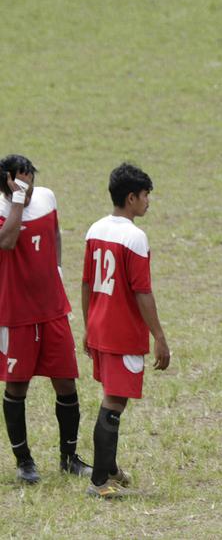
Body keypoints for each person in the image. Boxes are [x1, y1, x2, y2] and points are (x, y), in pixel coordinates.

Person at [81, 163, 171, 498]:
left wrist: (88, 325)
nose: (148, 201)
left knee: (113, 399)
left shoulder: (95, 229)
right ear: (131, 197)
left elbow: (87, 283)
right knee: (114, 402)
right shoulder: (134, 237)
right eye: (146, 195)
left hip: (99, 326)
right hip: (121, 332)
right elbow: (142, 292)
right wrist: (160, 337)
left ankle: (111, 468)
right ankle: (99, 481)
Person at [0, 155, 90, 484]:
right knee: (17, 385)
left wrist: (58, 269)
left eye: (31, 179)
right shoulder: (2, 208)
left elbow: (55, 234)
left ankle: (69, 457)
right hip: (15, 313)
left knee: (65, 382)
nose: (30, 185)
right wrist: (18, 203)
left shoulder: (47, 197)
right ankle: (24, 461)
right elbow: (7, 241)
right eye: (22, 180)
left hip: (53, 308)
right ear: (8, 180)